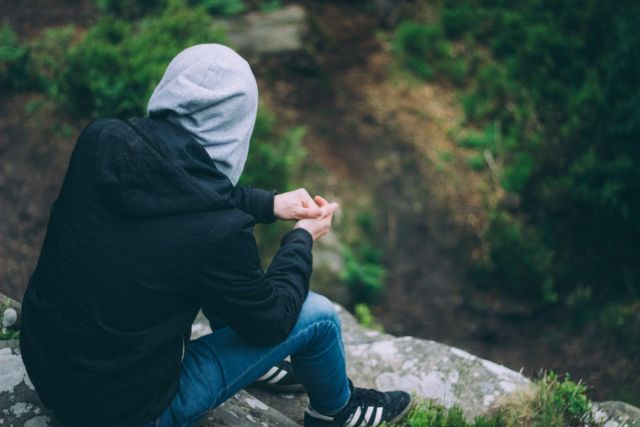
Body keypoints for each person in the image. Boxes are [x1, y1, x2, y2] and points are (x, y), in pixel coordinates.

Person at [19, 44, 412, 427]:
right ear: (235, 129)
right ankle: (336, 411)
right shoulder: (217, 232)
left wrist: (268, 204)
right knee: (320, 318)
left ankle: (255, 363)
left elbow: (177, 188)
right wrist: (302, 238)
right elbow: (272, 322)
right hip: (127, 412)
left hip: (46, 367)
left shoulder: (100, 141)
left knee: (219, 273)